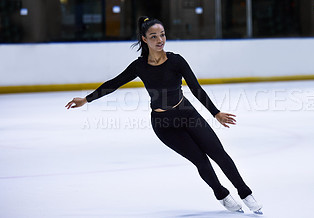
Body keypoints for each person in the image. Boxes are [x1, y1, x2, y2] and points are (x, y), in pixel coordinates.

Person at [65, 16, 262, 214]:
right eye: (153, 36)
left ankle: (245, 193)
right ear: (144, 39)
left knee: (219, 154)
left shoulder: (176, 61)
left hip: (187, 113)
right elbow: (113, 83)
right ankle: (221, 194)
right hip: (164, 125)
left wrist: (216, 113)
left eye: (162, 35)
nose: (160, 40)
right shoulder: (139, 66)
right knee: (201, 161)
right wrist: (86, 99)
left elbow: (196, 89)